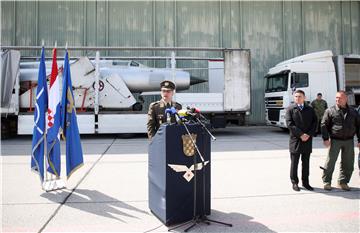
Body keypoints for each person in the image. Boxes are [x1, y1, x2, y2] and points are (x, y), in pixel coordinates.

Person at [321, 91, 360, 191]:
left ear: (346, 99)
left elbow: (359, 126)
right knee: (330, 162)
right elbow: (324, 125)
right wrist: (326, 139)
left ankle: (343, 182)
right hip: (335, 140)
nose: (337, 99)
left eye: (340, 98)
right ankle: (327, 182)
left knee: (348, 163)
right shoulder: (330, 110)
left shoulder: (353, 111)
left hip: (349, 141)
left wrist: (359, 140)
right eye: (336, 98)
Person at [285, 90, 317, 191]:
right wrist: (301, 134)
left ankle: (306, 182)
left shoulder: (310, 109)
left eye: (299, 96)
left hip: (307, 140)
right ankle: (294, 182)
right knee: (294, 163)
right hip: (296, 140)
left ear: (304, 97)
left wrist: (308, 134)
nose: (297, 98)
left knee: (306, 163)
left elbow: (315, 122)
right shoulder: (290, 109)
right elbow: (290, 124)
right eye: (296, 96)